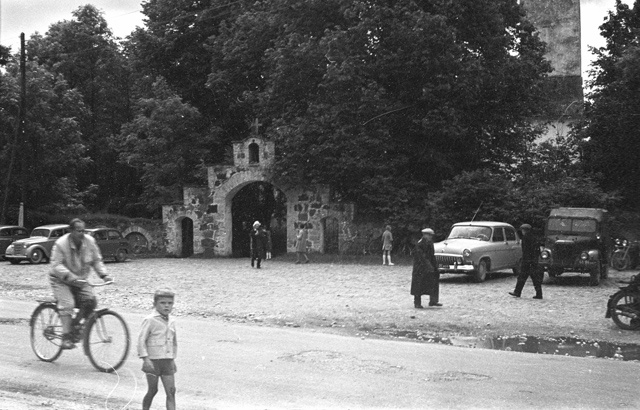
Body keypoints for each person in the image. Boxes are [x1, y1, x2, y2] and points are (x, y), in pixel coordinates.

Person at [49, 218, 112, 349]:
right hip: (61, 280)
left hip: (80, 281)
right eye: (78, 231)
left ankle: (75, 325)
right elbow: (56, 265)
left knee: (91, 301)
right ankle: (66, 338)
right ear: (71, 231)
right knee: (68, 304)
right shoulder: (60, 244)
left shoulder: (90, 242)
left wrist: (104, 275)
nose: (82, 233)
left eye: (83, 230)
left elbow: (96, 260)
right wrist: (71, 278)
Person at [138, 288, 177, 410]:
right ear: (155, 304)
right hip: (153, 362)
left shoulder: (171, 320)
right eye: (163, 303)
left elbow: (173, 342)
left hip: (167, 361)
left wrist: (172, 359)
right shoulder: (150, 320)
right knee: (153, 390)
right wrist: (145, 359)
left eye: (170, 303)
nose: (166, 306)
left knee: (171, 392)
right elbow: (141, 341)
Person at [509, 224, 543, 299]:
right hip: (533, 261)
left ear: (524, 230)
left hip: (527, 261)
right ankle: (539, 293)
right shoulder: (535, 238)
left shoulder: (525, 238)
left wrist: (525, 260)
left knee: (522, 277)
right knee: (535, 278)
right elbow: (537, 250)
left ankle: (517, 292)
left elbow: (525, 251)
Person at [411, 228, 441, 308]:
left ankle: (433, 300)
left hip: (429, 265)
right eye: (429, 235)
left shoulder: (430, 243)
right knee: (418, 284)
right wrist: (429, 266)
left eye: (431, 235)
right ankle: (417, 303)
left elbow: (432, 255)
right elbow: (421, 257)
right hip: (419, 267)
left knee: (434, 281)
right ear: (425, 235)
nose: (431, 237)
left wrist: (435, 266)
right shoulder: (419, 244)